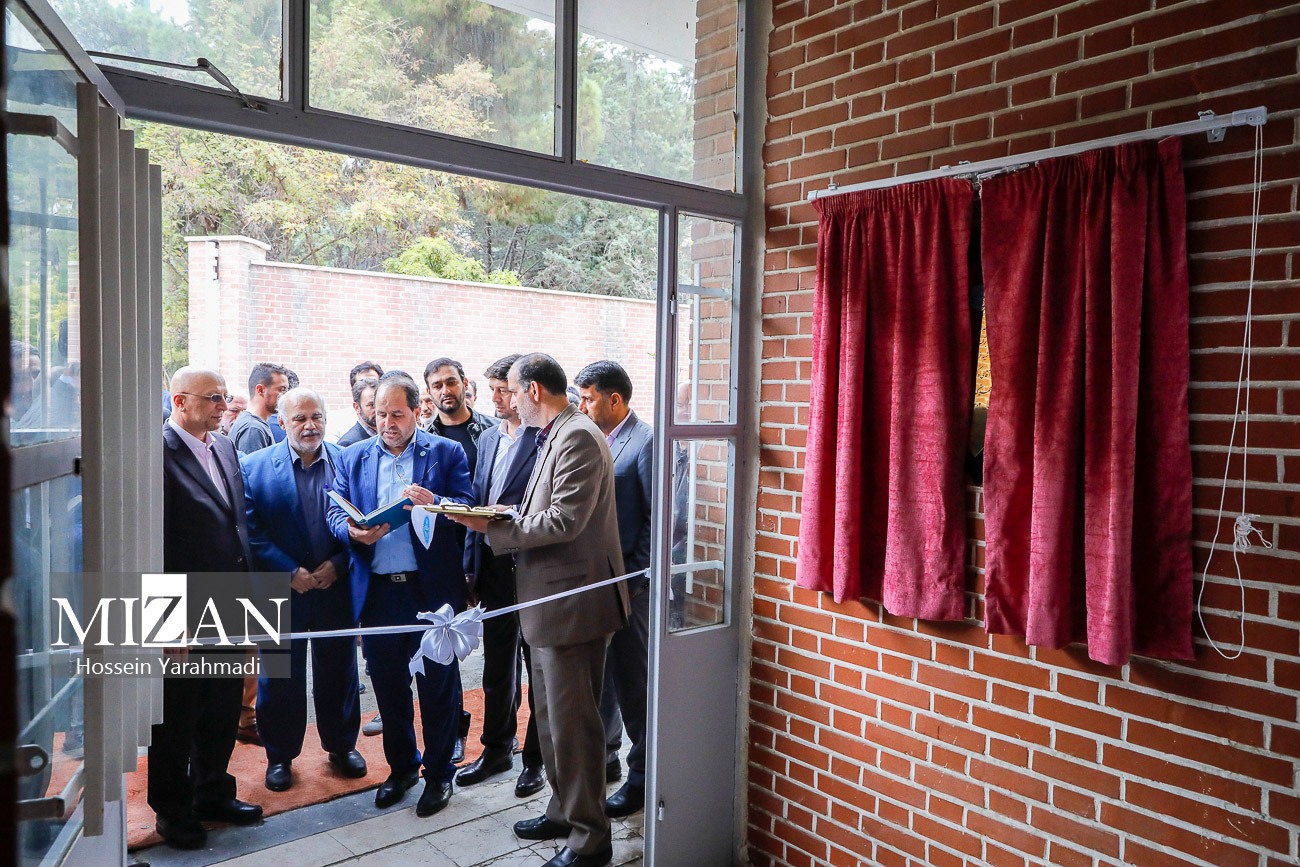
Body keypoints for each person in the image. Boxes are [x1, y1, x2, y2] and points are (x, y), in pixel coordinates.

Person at [448, 353, 629, 867]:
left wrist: (491, 527)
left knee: (574, 728)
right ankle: (563, 811)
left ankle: (590, 840)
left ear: (532, 390)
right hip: (550, 605)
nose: (505, 399)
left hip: (573, 606)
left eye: (509, 389)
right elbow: (539, 510)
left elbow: (563, 521)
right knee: (550, 722)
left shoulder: (577, 435)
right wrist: (495, 515)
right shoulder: (554, 432)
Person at [326, 376, 473, 817]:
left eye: (396, 414)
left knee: (437, 688)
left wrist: (435, 501)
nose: (387, 423)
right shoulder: (353, 455)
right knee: (389, 689)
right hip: (378, 595)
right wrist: (351, 531)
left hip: (429, 592)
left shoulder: (445, 452)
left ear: (417, 411)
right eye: (380, 414)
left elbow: (467, 506)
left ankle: (439, 774)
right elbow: (333, 508)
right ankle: (403, 767)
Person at [153, 367, 262, 849]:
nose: (222, 405)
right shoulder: (157, 452)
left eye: (224, 396)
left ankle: (212, 793)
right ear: (180, 401)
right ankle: (173, 812)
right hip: (182, 610)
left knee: (221, 708)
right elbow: (152, 544)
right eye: (212, 398)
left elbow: (236, 524)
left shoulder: (223, 445)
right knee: (177, 716)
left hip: (230, 602)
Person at [240, 388, 366, 793]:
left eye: (317, 417)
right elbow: (250, 530)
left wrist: (338, 564)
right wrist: (289, 570)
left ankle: (342, 746)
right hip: (280, 589)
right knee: (279, 677)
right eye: (299, 419)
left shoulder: (348, 461)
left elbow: (363, 522)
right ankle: (279, 756)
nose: (310, 426)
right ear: (282, 422)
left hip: (334, 586)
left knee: (339, 671)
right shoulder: (254, 466)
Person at [454, 354, 545, 798]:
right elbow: (478, 500)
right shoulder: (488, 437)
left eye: (503, 390)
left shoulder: (545, 438)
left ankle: (536, 760)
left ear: (525, 391)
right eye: (492, 389)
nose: (495, 398)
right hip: (492, 566)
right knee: (496, 666)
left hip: (531, 566)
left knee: (537, 666)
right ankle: (496, 750)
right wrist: (470, 569)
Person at [574, 360, 653, 819]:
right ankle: (606, 759)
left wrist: (635, 578)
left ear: (615, 399)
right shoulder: (595, 440)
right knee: (601, 682)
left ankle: (642, 777)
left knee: (634, 685)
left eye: (588, 398)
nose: (582, 406)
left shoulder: (644, 442)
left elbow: (659, 517)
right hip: (594, 585)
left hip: (628, 589)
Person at [423, 356, 498, 757]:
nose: (445, 390)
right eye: (436, 385)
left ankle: (500, 734)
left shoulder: (490, 431)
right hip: (443, 556)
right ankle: (454, 730)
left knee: (497, 651)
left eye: (451, 382)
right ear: (428, 392)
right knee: (445, 648)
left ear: (465, 384)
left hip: (489, 550)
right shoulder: (424, 437)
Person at [229, 362, 290, 456]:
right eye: (282, 390)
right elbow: (254, 465)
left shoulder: (255, 425)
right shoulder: (253, 429)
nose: (286, 396)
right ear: (260, 390)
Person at [338, 376, 379, 448]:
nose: (378, 410)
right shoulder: (348, 444)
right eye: (372, 405)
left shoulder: (387, 436)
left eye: (381, 404)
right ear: (357, 408)